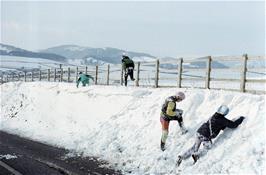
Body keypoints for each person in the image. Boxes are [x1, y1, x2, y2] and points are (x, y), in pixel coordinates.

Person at [176, 105, 245, 166]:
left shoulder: (214, 115)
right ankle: (197, 155)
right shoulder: (222, 119)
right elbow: (233, 125)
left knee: (194, 147)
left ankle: (182, 157)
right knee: (207, 148)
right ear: (225, 113)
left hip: (199, 132)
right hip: (205, 135)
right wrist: (241, 119)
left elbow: (218, 125)